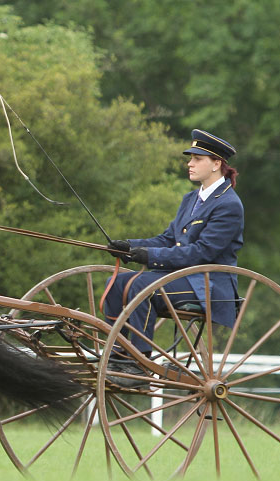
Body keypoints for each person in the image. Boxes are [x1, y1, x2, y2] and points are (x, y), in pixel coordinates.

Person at [102, 129, 244, 387]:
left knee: (142, 287)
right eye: (191, 158)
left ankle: (139, 363)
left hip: (207, 285)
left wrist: (150, 256)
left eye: (197, 158)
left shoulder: (229, 205)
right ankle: (117, 357)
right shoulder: (190, 199)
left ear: (216, 164)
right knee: (116, 285)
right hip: (180, 278)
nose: (190, 163)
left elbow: (201, 253)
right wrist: (130, 247)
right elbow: (168, 239)